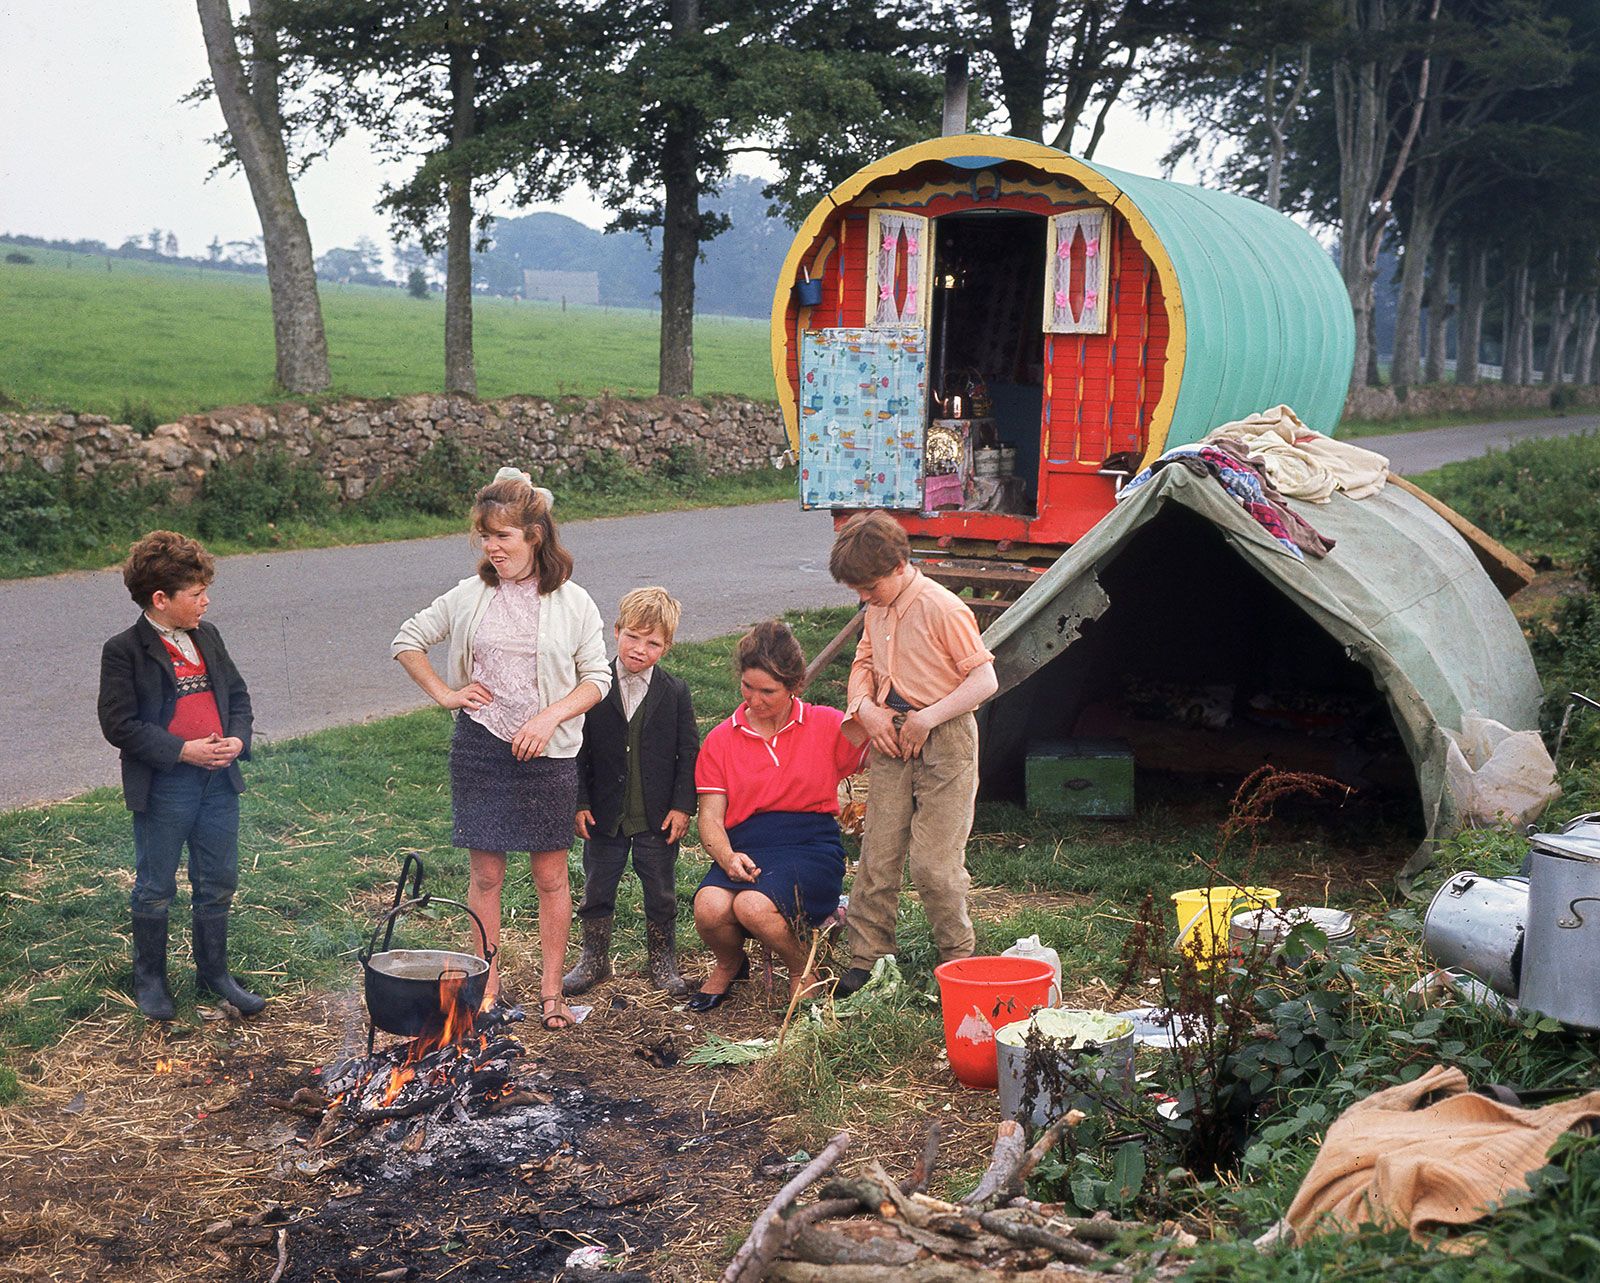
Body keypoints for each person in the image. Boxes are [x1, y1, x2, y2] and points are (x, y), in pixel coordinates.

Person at [392, 468, 610, 1031]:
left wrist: (549, 715)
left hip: (549, 754)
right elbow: (407, 639)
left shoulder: (573, 601)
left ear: (535, 535)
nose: (492, 547)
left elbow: (596, 679)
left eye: (503, 536)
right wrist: (445, 693)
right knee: (486, 877)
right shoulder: (472, 594)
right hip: (481, 748)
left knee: (551, 878)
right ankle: (485, 992)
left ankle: (552, 993)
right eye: (485, 536)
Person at [829, 512, 999, 998]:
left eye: (869, 586)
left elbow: (984, 680)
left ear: (899, 565)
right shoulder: (877, 607)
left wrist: (929, 717)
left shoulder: (942, 608)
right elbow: (864, 661)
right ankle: (868, 957)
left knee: (933, 864)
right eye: (856, 589)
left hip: (943, 737)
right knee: (877, 854)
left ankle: (957, 958)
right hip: (890, 735)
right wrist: (866, 710)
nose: (863, 597)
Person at [97, 530, 264, 1021]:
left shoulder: (206, 636)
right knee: (156, 884)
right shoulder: (124, 650)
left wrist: (236, 739)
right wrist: (182, 751)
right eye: (196, 595)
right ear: (160, 599)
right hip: (166, 787)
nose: (206, 602)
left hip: (217, 784)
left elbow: (237, 696)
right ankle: (150, 979)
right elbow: (119, 724)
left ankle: (214, 974)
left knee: (218, 879)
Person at [689, 620, 866, 1010]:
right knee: (710, 907)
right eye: (747, 687)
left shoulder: (826, 724)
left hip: (810, 846)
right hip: (747, 846)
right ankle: (730, 962)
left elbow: (880, 755)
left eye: (768, 691)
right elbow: (710, 819)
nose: (754, 700)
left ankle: (804, 968)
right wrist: (727, 857)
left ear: (795, 686)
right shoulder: (721, 738)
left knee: (751, 906)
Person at [566, 587, 700, 998]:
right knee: (597, 887)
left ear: (667, 646)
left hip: (655, 817)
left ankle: (662, 961)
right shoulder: (593, 687)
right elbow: (577, 749)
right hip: (605, 816)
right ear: (617, 630)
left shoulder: (674, 693)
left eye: (653, 642)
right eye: (633, 637)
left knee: (660, 890)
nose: (640, 649)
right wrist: (580, 802)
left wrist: (682, 806)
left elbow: (688, 751)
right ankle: (594, 959)